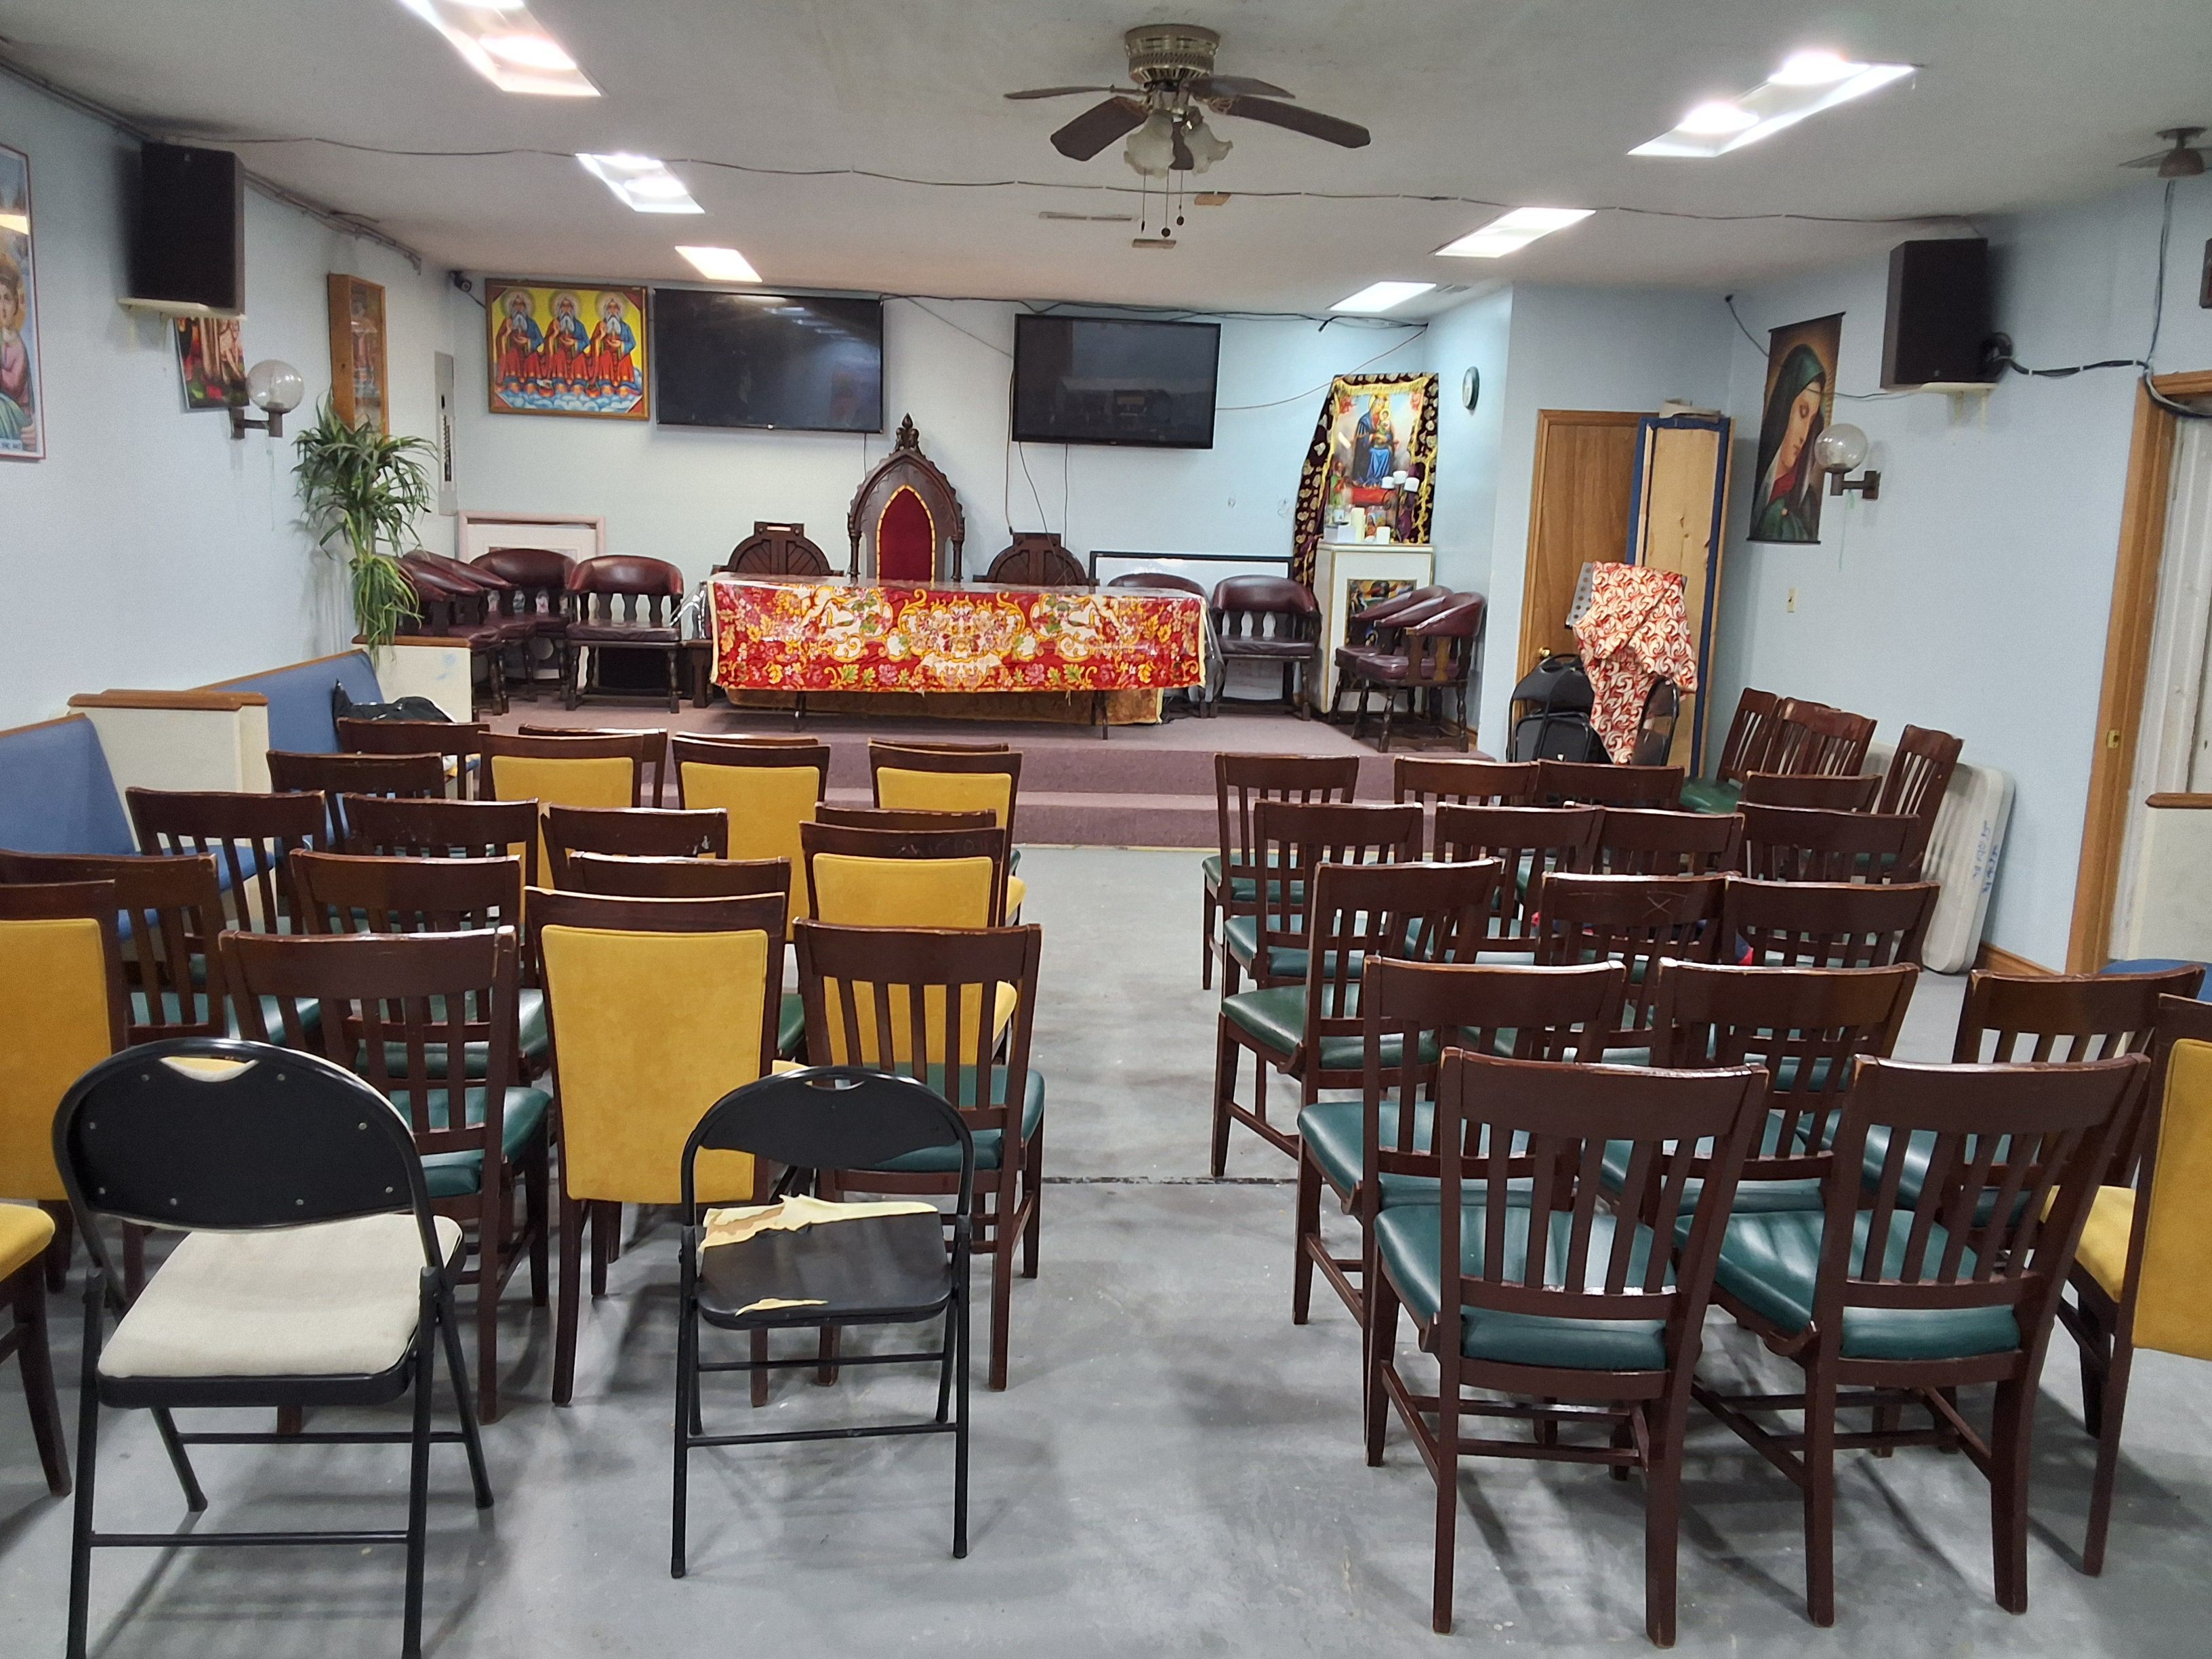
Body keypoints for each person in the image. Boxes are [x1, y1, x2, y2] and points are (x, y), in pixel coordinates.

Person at [1750, 343, 1829, 543]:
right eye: (1803, 413)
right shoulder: (1751, 482)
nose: (1805, 435)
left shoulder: (1806, 505)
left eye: (1812, 421)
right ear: (1784, 408)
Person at [0, 247, 35, 448]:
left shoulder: (19, 345)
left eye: (7, 299)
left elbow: (13, 385)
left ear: (16, 304)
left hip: (17, 413)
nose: (2, 308)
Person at [493, 290, 543, 398]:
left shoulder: (532, 323)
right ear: (512, 307)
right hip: (514, 355)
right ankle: (512, 380)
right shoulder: (508, 322)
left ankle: (531, 382)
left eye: (521, 305)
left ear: (525, 307)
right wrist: (507, 332)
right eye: (516, 304)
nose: (519, 307)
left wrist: (529, 342)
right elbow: (500, 339)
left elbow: (540, 339)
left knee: (534, 357)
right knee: (512, 353)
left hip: (528, 353)